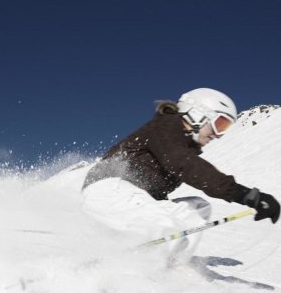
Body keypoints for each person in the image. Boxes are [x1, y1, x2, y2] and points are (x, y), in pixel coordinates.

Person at [81, 88, 280, 265]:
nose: (218, 134)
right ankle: (135, 280)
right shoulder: (166, 126)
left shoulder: (183, 144)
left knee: (197, 208)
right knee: (164, 227)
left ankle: (171, 268)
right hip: (107, 189)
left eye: (226, 128)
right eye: (220, 123)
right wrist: (245, 195)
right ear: (198, 113)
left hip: (132, 196)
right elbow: (184, 164)